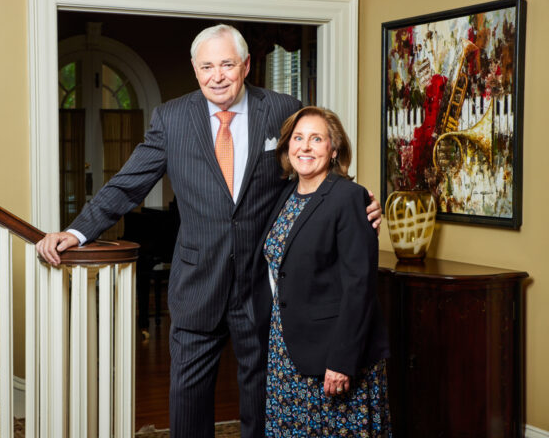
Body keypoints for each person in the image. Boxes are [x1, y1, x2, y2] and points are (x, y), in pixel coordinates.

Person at [36, 24, 382, 438]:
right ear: (195, 69)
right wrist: (76, 232)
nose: (217, 75)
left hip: (263, 284)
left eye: (227, 64)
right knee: (188, 396)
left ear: (246, 65)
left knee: (260, 394)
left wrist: (355, 198)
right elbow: (128, 184)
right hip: (197, 281)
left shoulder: (281, 108)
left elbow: (310, 164)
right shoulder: (172, 118)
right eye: (207, 66)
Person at [251, 106, 391, 437]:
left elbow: (360, 287)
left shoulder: (349, 197)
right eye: (298, 138)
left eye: (317, 139)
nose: (305, 147)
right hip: (286, 348)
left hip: (332, 352)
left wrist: (342, 361)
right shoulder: (284, 195)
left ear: (334, 148)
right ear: (287, 147)